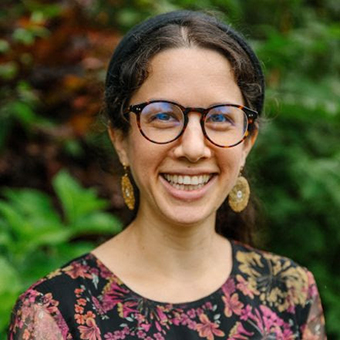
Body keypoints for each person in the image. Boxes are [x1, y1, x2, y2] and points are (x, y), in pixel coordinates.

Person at [8, 10, 326, 340]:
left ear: (246, 142)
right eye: (163, 116)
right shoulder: (56, 313)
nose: (192, 148)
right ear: (120, 140)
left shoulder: (290, 291)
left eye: (219, 117)